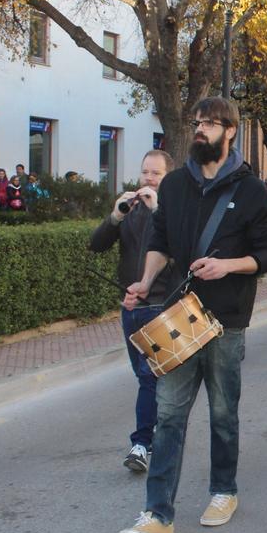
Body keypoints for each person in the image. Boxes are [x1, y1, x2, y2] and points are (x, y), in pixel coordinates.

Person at [118, 97, 267, 533]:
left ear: (230, 131)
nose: (201, 130)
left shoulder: (251, 191)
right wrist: (145, 281)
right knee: (169, 413)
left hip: (226, 319)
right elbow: (160, 239)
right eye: (198, 123)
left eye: (211, 124)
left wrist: (228, 266)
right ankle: (157, 514)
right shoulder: (173, 186)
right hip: (178, 316)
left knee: (223, 412)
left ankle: (223, 491)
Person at [89, 150, 173, 472]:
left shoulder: (169, 211)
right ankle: (156, 432)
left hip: (160, 306)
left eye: (156, 174)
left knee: (149, 376)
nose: (148, 179)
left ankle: (141, 444)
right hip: (130, 307)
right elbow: (96, 245)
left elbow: (179, 250)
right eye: (145, 173)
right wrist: (115, 217)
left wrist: (157, 211)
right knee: (147, 378)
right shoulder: (130, 209)